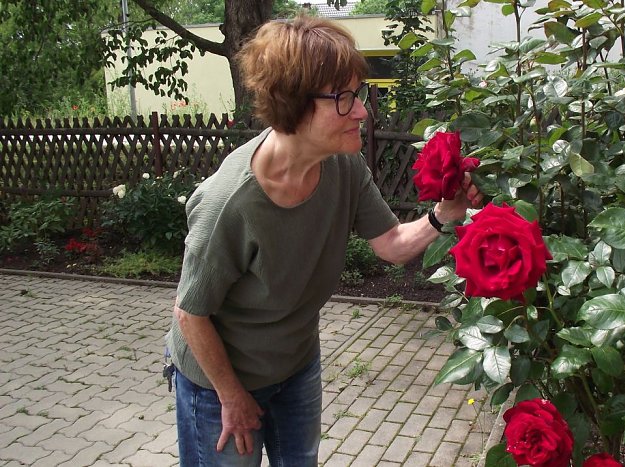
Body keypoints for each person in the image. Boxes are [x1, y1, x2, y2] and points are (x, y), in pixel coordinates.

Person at [165, 15, 483, 467]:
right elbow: (190, 313)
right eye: (344, 98)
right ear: (292, 102)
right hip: (218, 382)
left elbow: (391, 243)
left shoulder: (342, 166)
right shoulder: (229, 204)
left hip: (295, 366)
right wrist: (231, 397)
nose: (361, 111)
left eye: (358, 95)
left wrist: (444, 215)